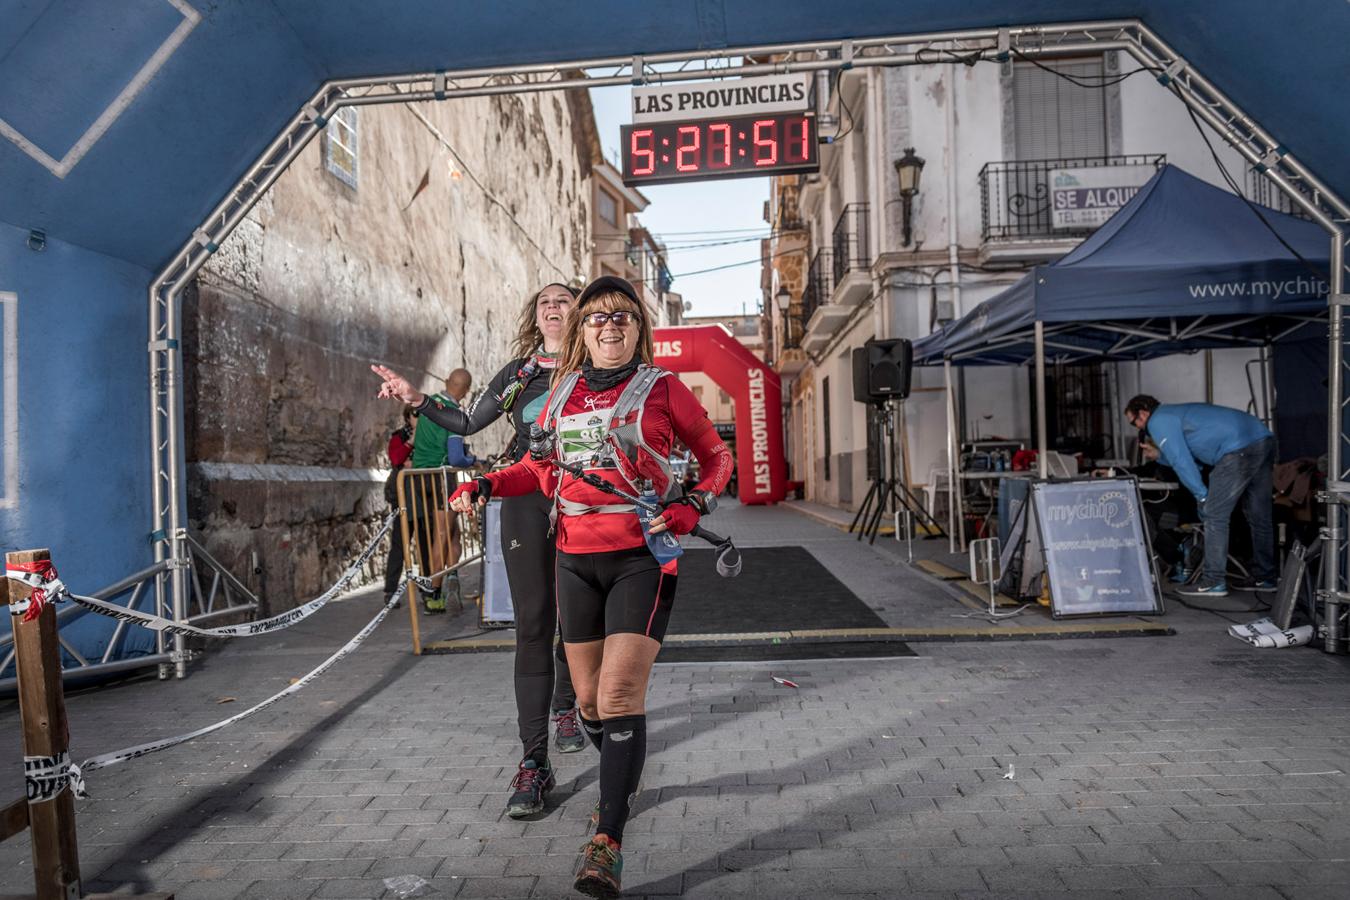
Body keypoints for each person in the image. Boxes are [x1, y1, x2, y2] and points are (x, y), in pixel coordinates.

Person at [445, 276, 733, 898]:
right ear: (582, 329)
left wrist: (692, 507)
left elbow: (717, 458)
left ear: (638, 329)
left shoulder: (663, 389)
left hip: (640, 558)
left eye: (623, 317)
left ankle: (607, 839)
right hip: (574, 560)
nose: (610, 325)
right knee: (591, 704)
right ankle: (620, 774)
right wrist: (487, 486)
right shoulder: (559, 395)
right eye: (598, 316)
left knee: (621, 692)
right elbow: (539, 467)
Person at [370, 283, 585, 819]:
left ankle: (567, 706)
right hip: (524, 495)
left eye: (564, 299)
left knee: (578, 619)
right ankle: (534, 762)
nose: (554, 307)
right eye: (545, 302)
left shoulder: (599, 367)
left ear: (581, 311)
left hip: (585, 499)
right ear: (536, 317)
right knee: (534, 621)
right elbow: (467, 424)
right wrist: (417, 398)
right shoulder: (518, 375)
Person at [1124, 395, 1277, 598]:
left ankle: (1213, 581)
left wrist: (1202, 496)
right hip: (1261, 438)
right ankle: (1265, 577)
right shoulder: (1176, 412)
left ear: (1143, 413)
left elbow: (1181, 461)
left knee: (1213, 514)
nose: (1139, 429)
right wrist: (1160, 456)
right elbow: (1193, 460)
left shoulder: (1158, 420)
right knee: (1259, 516)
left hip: (1236, 448)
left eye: (1135, 422)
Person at [382, 406, 416, 605]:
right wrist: (411, 442)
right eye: (415, 414)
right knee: (399, 542)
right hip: (401, 496)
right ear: (407, 417)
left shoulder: (428, 435)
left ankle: (430, 589)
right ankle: (391, 591)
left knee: (425, 538)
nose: (418, 418)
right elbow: (395, 458)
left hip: (421, 494)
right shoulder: (399, 436)